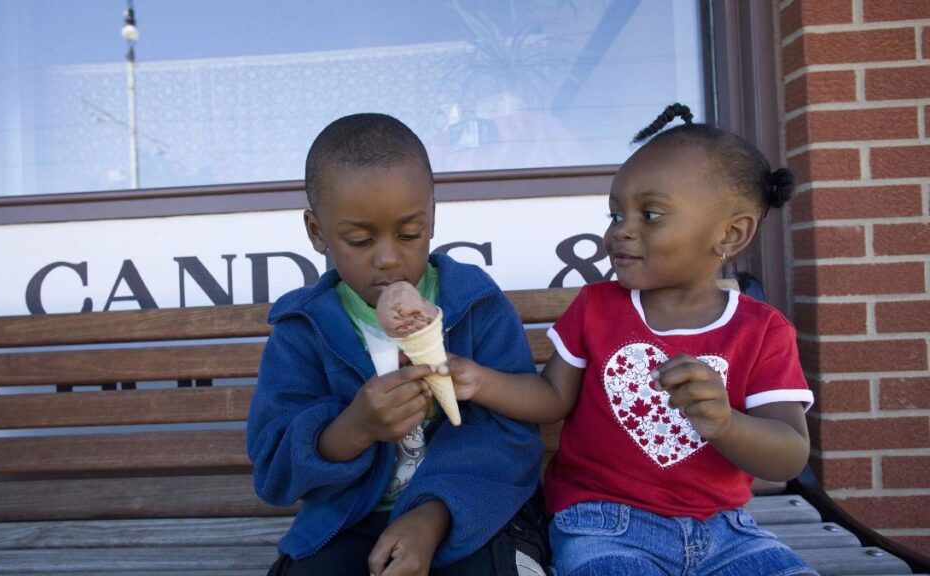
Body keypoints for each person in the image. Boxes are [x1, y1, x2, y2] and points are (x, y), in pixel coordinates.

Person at [447, 103, 818, 575]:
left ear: (731, 233)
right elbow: (551, 396)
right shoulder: (599, 307)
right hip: (603, 523)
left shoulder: (761, 330)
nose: (621, 230)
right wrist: (480, 381)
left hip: (726, 531)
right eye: (615, 213)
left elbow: (789, 454)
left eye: (651, 214)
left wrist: (726, 423)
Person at [247, 112, 549, 576]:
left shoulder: (475, 305)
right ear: (316, 232)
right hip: (349, 520)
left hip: (468, 510)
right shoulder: (302, 331)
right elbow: (275, 470)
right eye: (360, 239)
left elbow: (511, 437)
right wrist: (353, 429)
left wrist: (432, 515)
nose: (390, 258)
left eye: (410, 234)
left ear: (432, 217)